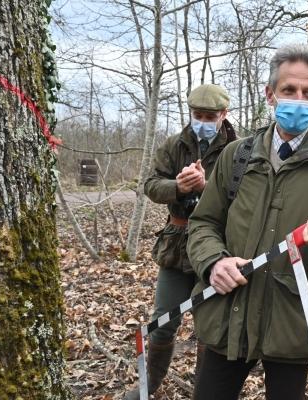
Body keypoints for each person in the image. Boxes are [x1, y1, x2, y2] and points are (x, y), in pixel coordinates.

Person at [186, 43, 308, 400]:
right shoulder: (237, 154)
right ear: (270, 93)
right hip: (231, 313)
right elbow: (203, 224)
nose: (298, 99)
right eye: (289, 90)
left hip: (296, 321)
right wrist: (214, 262)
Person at [123, 84, 237, 399]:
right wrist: (178, 186)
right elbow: (150, 185)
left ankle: (206, 389)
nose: (202, 120)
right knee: (163, 321)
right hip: (176, 246)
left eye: (209, 115)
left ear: (223, 115)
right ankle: (150, 383)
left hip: (218, 247)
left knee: (210, 327)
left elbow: (244, 198)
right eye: (197, 115)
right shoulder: (175, 145)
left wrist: (207, 185)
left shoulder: (238, 150)